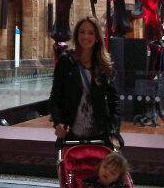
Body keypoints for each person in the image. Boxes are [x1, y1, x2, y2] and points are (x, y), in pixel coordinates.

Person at [49, 17, 122, 148]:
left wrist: (113, 130)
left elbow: (114, 101)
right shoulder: (66, 61)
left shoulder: (105, 65)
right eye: (82, 32)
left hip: (100, 133)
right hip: (71, 132)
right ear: (77, 34)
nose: (85, 36)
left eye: (90, 33)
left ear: (97, 37)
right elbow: (55, 97)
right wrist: (58, 122)